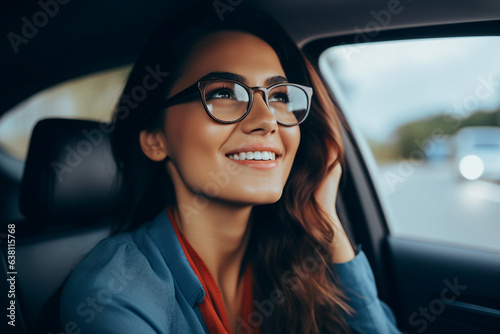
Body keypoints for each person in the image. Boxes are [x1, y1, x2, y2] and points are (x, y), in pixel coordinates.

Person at [60, 2, 400, 333]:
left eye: (279, 96)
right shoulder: (115, 291)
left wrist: (328, 224)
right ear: (155, 139)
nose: (267, 120)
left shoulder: (294, 263)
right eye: (224, 92)